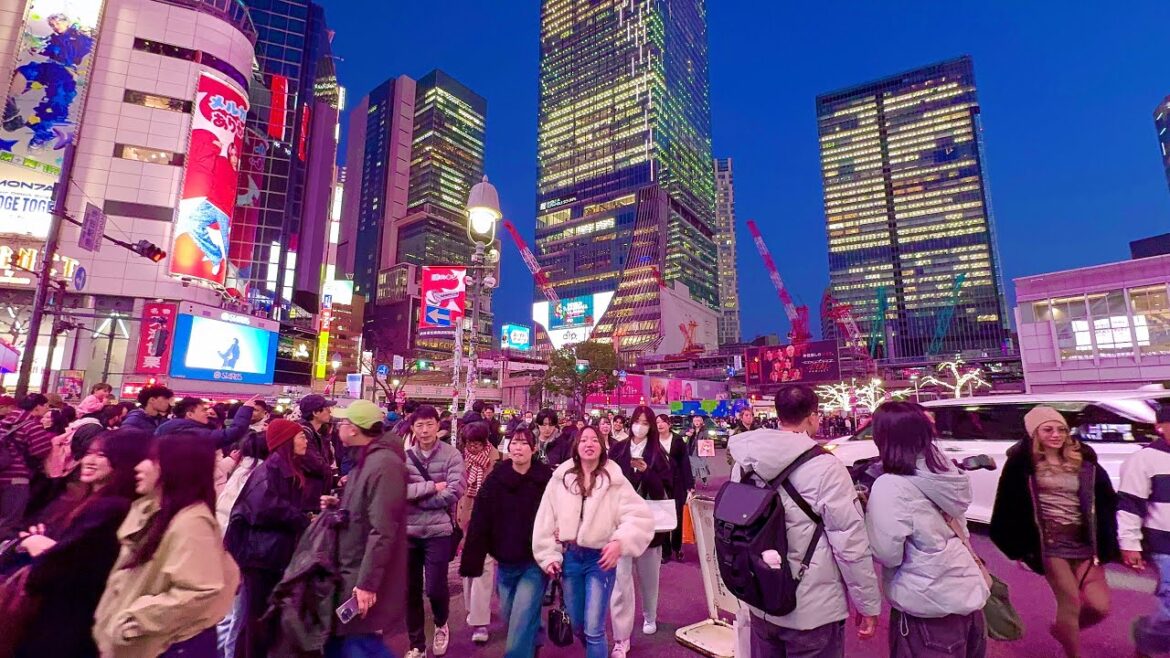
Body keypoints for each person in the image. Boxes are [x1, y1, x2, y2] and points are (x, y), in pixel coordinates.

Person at [727, 385, 881, 657]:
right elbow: (850, 542)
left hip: (762, 595)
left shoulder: (745, 461)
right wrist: (867, 604)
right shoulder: (825, 466)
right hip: (812, 608)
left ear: (778, 414)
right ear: (812, 416)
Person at [93, 432, 240, 657]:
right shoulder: (156, 512)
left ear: (175, 468)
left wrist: (132, 620)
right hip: (146, 643)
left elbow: (200, 589)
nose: (139, 467)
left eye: (152, 460)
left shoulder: (191, 522)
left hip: (165, 646)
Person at [990, 406, 1120, 658]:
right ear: (1034, 433)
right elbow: (1007, 507)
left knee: (1099, 606)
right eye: (1048, 429)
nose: (1056, 434)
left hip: (1085, 544)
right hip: (1050, 545)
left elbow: (1106, 500)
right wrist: (1020, 548)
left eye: (1061, 429)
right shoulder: (1022, 466)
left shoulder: (1084, 460)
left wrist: (1109, 538)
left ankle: (1063, 629)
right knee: (1069, 603)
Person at [864, 402, 989, 657]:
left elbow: (887, 553)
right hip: (969, 602)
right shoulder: (946, 473)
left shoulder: (890, 485)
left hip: (926, 607)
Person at [13, 430, 153, 658]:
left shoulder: (110, 509)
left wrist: (38, 544)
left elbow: (58, 569)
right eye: (89, 453)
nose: (89, 460)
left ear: (125, 460)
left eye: (101, 455)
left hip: (69, 624)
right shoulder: (87, 502)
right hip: (72, 619)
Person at [533, 426, 655, 658]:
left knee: (594, 628)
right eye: (584, 440)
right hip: (569, 559)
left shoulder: (615, 480)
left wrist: (620, 542)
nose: (589, 444)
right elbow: (545, 520)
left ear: (602, 446)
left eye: (594, 440)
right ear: (576, 447)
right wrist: (548, 555)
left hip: (599, 560)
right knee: (578, 623)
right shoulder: (561, 479)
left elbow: (640, 516)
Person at [460, 427, 553, 658]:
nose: (518, 448)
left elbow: (559, 514)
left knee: (520, 619)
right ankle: (536, 634)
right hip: (505, 561)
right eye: (514, 443)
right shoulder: (496, 480)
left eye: (523, 444)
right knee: (510, 614)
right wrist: (473, 559)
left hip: (535, 561)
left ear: (533, 449)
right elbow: (480, 521)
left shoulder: (546, 480)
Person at [325, 399, 408, 658]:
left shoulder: (383, 464)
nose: (337, 426)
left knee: (360, 645)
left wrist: (367, 584)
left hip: (360, 572)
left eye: (342, 422)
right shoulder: (368, 458)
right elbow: (366, 510)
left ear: (353, 429)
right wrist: (340, 503)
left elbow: (382, 528)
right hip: (352, 568)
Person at [225, 419, 311, 658]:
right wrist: (301, 519)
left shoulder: (284, 469)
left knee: (263, 617)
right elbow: (264, 508)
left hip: (271, 553)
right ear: (286, 441)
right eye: (300, 436)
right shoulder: (271, 470)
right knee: (257, 618)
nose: (305, 440)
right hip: (262, 556)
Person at [607, 407, 673, 657]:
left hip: (649, 525)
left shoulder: (658, 453)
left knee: (649, 576)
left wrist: (648, 472)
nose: (640, 427)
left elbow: (664, 490)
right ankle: (621, 636)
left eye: (646, 423)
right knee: (621, 581)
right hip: (621, 524)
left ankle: (650, 614)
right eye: (637, 422)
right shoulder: (617, 450)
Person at [403, 405, 465, 658]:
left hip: (439, 531)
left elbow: (454, 491)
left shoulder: (452, 455)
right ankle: (416, 644)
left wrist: (417, 498)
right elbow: (398, 490)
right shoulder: (405, 457)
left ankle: (441, 623)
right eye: (420, 425)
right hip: (408, 532)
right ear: (413, 429)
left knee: (435, 587)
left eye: (430, 424)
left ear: (438, 426)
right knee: (410, 589)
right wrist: (430, 488)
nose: (425, 430)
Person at [214, 431, 269, 658]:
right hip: (235, 548)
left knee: (229, 611)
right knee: (234, 614)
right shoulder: (257, 474)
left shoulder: (244, 470)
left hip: (225, 544)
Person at [1121, 405, 1170, 656]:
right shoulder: (1143, 459)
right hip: (1165, 543)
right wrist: (1130, 543)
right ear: (1160, 427)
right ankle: (1149, 635)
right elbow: (1130, 504)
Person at [455, 421, 501, 645]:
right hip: (465, 521)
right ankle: (472, 609)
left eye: (476, 443)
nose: (472, 448)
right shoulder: (460, 459)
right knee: (468, 570)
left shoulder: (498, 460)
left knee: (484, 570)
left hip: (490, 521)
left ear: (485, 442)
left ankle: (480, 621)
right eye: (469, 443)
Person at [0, 394, 54, 538]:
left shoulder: (4, 421)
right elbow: (41, 451)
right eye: (46, 406)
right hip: (16, 479)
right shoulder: (31, 425)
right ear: (37, 407)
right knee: (9, 520)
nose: (47, 409)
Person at [656, 413, 693, 563]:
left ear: (669, 424)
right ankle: (665, 552)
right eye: (657, 422)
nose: (660, 425)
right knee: (663, 518)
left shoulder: (678, 440)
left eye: (663, 422)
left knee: (677, 516)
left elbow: (685, 463)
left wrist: (689, 486)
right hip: (660, 484)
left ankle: (677, 548)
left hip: (678, 483)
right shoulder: (653, 441)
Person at [156, 395, 258, 450]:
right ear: (190, 414)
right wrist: (246, 409)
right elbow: (234, 433)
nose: (207, 413)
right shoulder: (191, 433)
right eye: (203, 410)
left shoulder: (168, 427)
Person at [297, 394, 336, 512]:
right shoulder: (303, 434)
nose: (330, 411)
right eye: (326, 408)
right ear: (315, 412)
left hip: (312, 497)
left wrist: (336, 480)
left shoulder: (316, 433)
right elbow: (318, 466)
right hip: (306, 500)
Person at [685, 415, 712, 486]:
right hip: (691, 451)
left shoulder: (704, 431)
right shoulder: (690, 429)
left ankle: (705, 481)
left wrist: (705, 440)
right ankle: (693, 484)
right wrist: (686, 433)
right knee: (692, 468)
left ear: (701, 422)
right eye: (695, 421)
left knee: (701, 467)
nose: (696, 422)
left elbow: (707, 440)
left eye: (698, 421)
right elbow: (681, 433)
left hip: (701, 452)